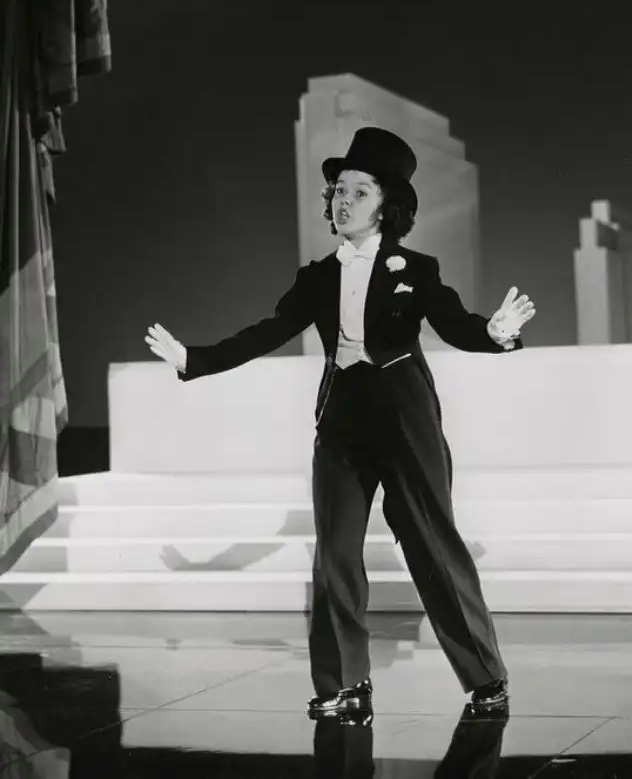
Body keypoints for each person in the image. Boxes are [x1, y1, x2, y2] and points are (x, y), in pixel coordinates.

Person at [145, 127, 536, 719]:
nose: (343, 201)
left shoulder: (416, 268)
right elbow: (268, 332)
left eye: (359, 191)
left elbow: (455, 324)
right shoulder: (318, 276)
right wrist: (193, 360)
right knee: (334, 556)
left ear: (386, 205)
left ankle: (487, 678)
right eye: (338, 191)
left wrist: (494, 333)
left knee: (431, 544)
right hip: (341, 418)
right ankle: (346, 685)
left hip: (404, 413)